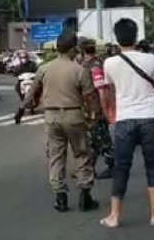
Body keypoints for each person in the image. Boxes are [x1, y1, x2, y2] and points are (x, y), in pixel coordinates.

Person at [15, 30, 102, 212]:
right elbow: (90, 96)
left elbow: (31, 93)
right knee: (82, 153)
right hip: (74, 116)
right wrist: (95, 116)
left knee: (56, 156)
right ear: (73, 49)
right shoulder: (80, 70)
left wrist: (21, 110)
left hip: (52, 117)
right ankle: (85, 193)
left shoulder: (44, 68)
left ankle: (60, 196)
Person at [99, 18, 154, 229]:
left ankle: (114, 216)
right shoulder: (151, 60)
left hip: (124, 119)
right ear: (136, 36)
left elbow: (109, 91)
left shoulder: (109, 63)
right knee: (153, 166)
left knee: (121, 167)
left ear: (116, 38)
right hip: (149, 118)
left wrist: (111, 113)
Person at [79, 37, 115, 179]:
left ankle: (111, 166)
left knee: (101, 139)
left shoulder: (94, 65)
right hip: (89, 108)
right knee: (93, 140)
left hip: (96, 108)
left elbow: (101, 90)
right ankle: (89, 168)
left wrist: (104, 110)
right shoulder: (86, 64)